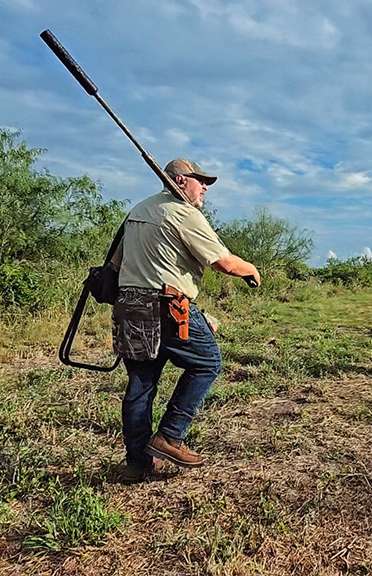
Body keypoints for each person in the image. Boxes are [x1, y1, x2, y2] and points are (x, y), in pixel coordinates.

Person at [111, 157, 261, 483]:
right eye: (199, 180)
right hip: (168, 306)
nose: (205, 187)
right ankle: (170, 436)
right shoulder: (184, 213)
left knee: (140, 386)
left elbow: (117, 261)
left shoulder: (139, 210)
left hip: (130, 306)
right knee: (207, 363)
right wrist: (252, 269)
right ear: (181, 181)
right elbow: (224, 263)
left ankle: (137, 463)